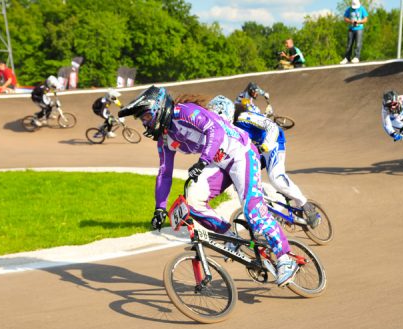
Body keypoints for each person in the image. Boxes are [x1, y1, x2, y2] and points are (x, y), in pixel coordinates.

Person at [119, 86, 299, 287]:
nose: (145, 123)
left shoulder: (184, 112)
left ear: (159, 108)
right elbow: (164, 172)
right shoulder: (164, 139)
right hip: (218, 163)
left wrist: (203, 160)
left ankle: (285, 258)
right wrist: (159, 207)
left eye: (145, 117)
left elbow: (215, 130)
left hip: (241, 154)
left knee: (253, 211)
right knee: (193, 201)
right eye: (142, 120)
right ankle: (231, 237)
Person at [208, 95, 320, 227]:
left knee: (275, 177)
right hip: (257, 151)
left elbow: (271, 127)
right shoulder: (227, 129)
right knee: (241, 180)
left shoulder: (244, 117)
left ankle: (305, 205)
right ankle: (268, 208)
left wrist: (267, 144)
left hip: (273, 143)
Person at [340, 0, 369, 65]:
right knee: (349, 44)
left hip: (359, 29)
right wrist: (351, 21)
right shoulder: (349, 9)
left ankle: (356, 57)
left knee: (358, 44)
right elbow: (345, 18)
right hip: (351, 28)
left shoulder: (362, 9)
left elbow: (365, 19)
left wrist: (358, 22)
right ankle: (347, 58)